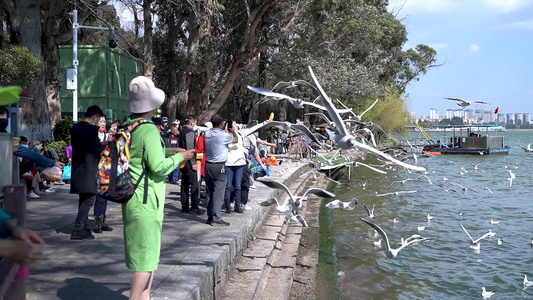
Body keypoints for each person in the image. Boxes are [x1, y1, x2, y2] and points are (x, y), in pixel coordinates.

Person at [122, 76, 194, 300]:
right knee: (145, 260)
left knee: (148, 257)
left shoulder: (131, 127)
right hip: (146, 202)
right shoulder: (150, 130)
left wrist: (168, 151)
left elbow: (140, 157)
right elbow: (158, 167)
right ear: (152, 105)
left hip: (133, 198)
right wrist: (180, 157)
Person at [70, 105, 106, 240]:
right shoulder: (91, 130)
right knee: (90, 198)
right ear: (95, 117)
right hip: (89, 167)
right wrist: (105, 143)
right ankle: (78, 228)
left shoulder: (76, 129)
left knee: (84, 198)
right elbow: (96, 148)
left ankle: (83, 225)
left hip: (78, 168)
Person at [204, 114, 238, 226]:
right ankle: (216, 217)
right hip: (219, 167)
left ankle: (210, 216)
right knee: (218, 193)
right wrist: (233, 130)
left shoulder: (207, 133)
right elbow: (235, 140)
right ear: (221, 123)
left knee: (210, 192)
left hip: (208, 165)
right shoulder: (224, 135)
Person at [179, 116, 202, 214]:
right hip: (188, 161)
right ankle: (194, 206)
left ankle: (184, 206)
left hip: (182, 160)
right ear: (192, 123)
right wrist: (193, 163)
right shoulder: (189, 132)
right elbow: (190, 148)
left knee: (184, 183)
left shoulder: (182, 131)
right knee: (194, 184)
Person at [93, 116, 113, 234]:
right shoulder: (93, 137)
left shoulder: (108, 136)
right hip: (95, 169)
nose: (102, 124)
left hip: (106, 169)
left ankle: (102, 220)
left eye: (104, 122)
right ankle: (97, 223)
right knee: (97, 197)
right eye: (100, 122)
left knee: (104, 196)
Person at [223, 121, 247, 213]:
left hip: (240, 164)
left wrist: (265, 122)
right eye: (234, 123)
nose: (236, 125)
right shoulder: (225, 135)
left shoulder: (241, 133)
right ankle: (227, 205)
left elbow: (253, 129)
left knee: (238, 186)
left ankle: (237, 205)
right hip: (228, 164)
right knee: (228, 186)